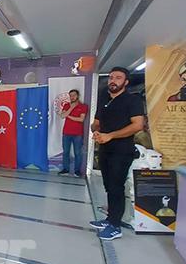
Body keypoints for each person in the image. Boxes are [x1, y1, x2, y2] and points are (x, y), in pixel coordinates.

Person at [90, 68, 145, 241]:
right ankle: (110, 219)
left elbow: (138, 125)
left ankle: (115, 226)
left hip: (121, 151)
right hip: (105, 150)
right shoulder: (104, 99)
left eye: (118, 78)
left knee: (116, 187)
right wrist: (96, 131)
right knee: (108, 186)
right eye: (111, 77)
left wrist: (111, 135)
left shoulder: (132, 100)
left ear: (126, 82)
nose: (113, 80)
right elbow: (96, 123)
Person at [59, 89, 88, 177]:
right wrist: (71, 108)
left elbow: (81, 119)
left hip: (78, 134)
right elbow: (62, 116)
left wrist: (68, 116)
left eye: (74, 95)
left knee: (78, 153)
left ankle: (77, 171)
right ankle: (66, 169)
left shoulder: (83, 106)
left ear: (78, 96)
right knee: (66, 152)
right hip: (66, 133)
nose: (72, 97)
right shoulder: (66, 105)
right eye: (71, 95)